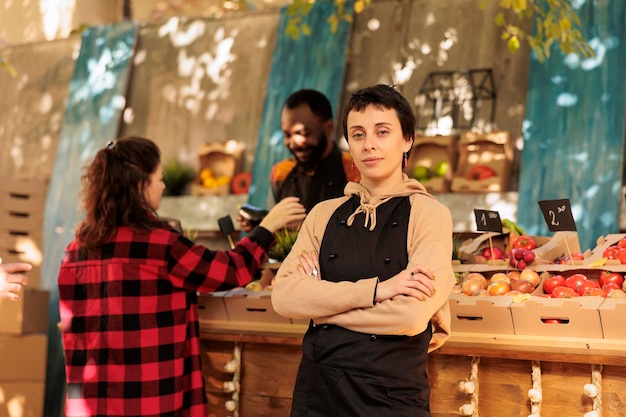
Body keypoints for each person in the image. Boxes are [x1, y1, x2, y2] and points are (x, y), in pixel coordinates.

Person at [57, 136, 306, 417]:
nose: (163, 186)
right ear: (141, 185)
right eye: (159, 178)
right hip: (148, 404)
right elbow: (230, 269)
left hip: (89, 407)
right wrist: (268, 226)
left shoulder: (74, 252)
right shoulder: (160, 244)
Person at [271, 85, 455, 417]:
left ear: (407, 139)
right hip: (318, 394)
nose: (368, 143)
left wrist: (320, 307)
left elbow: (411, 316)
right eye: (357, 134)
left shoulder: (429, 214)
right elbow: (284, 297)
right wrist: (379, 291)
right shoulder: (323, 214)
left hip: (390, 399)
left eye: (382, 132)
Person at [237, 89, 361, 232]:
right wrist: (261, 227)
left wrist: (305, 226)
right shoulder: (280, 173)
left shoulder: (355, 169)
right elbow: (276, 232)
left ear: (328, 127)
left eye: (302, 133)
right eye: (287, 135)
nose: (293, 142)